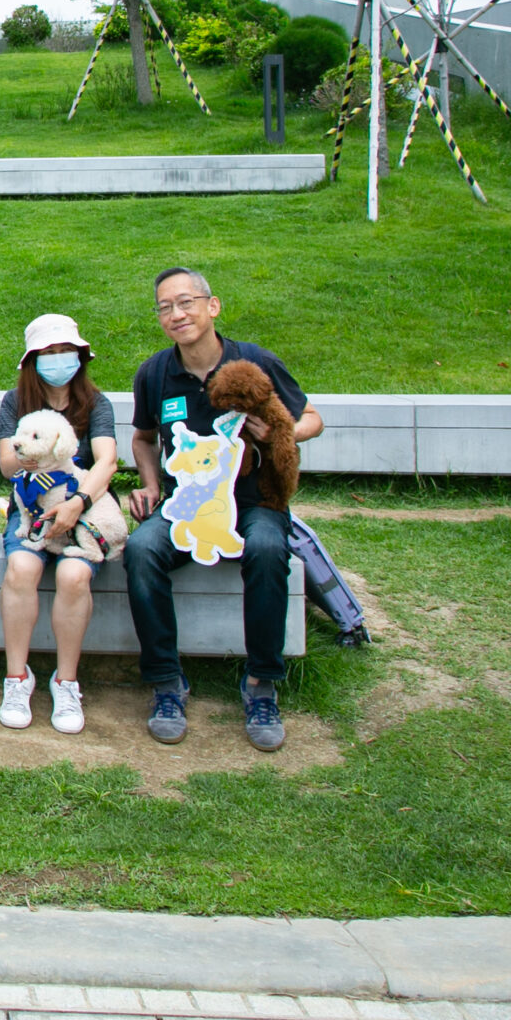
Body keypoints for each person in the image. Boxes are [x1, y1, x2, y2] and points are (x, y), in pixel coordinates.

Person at [125, 267, 321, 753]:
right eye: (165, 307)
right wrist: (150, 484)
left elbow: (312, 419)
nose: (176, 314)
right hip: (186, 504)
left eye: (186, 302)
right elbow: (143, 438)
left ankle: (261, 684)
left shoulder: (255, 362)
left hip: (253, 501)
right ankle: (166, 683)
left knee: (268, 548)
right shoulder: (154, 373)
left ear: (212, 306)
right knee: (141, 550)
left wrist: (279, 432)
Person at [0, 314, 120, 735]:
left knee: (73, 575)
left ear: (81, 356)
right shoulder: (16, 401)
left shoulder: (96, 404)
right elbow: (7, 464)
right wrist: (26, 458)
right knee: (21, 568)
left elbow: (106, 462)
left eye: (66, 351)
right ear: (32, 360)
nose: (58, 359)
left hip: (85, 511)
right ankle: (17, 678)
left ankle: (66, 682)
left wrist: (77, 503)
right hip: (32, 510)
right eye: (49, 352)